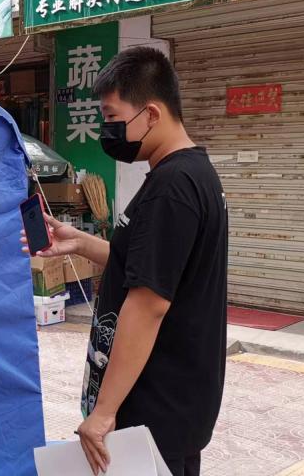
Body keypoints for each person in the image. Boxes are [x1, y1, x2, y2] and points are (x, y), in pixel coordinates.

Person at [23, 47, 227, 476]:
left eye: (113, 117)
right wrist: (79, 242)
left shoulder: (172, 187)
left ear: (151, 114)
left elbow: (148, 303)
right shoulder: (190, 175)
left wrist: (104, 412)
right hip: (175, 400)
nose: (108, 130)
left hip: (156, 406)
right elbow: (145, 264)